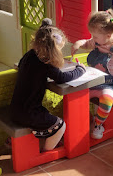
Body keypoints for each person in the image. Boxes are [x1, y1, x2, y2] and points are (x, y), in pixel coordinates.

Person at [10, 18, 86, 151]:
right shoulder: (45, 62)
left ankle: (44, 139)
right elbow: (62, 77)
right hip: (29, 113)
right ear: (53, 50)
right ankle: (47, 151)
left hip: (16, 109)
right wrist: (80, 70)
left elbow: (29, 70)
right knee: (60, 125)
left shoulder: (29, 55)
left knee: (47, 116)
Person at [71, 9, 113, 139]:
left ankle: (98, 124)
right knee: (74, 99)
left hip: (107, 85)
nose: (93, 39)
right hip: (91, 83)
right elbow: (87, 43)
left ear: (109, 35)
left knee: (107, 99)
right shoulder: (97, 42)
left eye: (96, 36)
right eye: (92, 36)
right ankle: (88, 119)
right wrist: (78, 44)